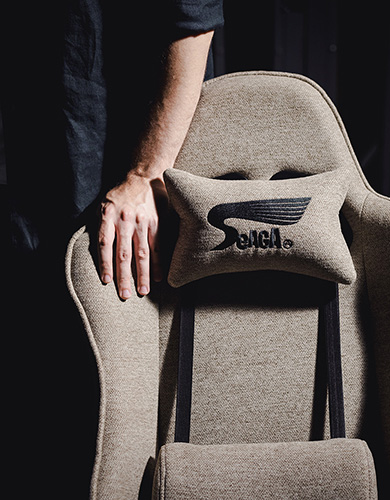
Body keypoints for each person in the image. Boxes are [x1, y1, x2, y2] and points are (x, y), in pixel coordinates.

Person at [2, 1, 223, 497]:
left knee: (108, 430)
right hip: (31, 170)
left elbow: (193, 21)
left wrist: (147, 174)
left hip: (112, 187)